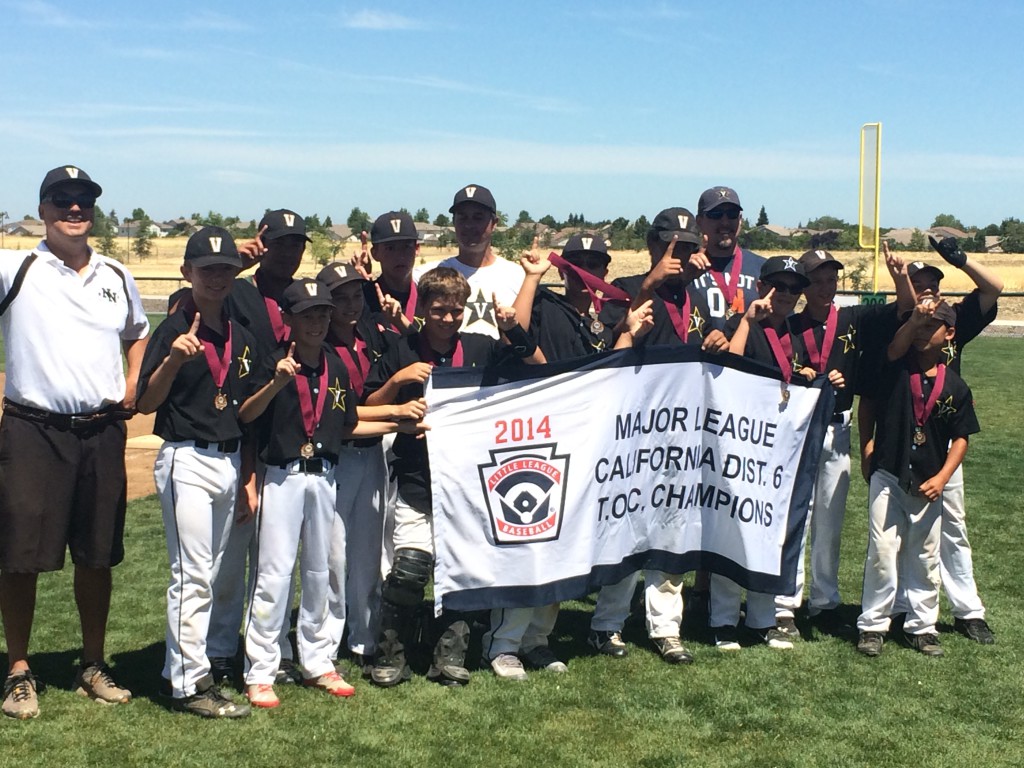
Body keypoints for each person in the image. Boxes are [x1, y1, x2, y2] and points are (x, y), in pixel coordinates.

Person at [0, 165, 149, 720]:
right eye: (61, 200)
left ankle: (91, 662)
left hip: (101, 430)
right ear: (42, 209)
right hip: (33, 429)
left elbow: (137, 333)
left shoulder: (116, 273)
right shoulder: (16, 267)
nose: (74, 209)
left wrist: (133, 381)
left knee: (97, 552)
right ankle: (18, 669)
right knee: (19, 555)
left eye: (83, 200)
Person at [238, 278, 425, 708]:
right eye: (308, 314)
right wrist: (275, 384)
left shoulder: (333, 365)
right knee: (274, 574)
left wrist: (400, 425)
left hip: (324, 474)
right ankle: (261, 669)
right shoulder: (274, 362)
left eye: (323, 313)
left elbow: (348, 425)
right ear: (288, 320)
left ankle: (317, 660)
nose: (318, 322)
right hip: (282, 476)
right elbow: (248, 415)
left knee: (321, 571)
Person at [478, 234, 652, 679]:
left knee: (561, 547)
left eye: (595, 265)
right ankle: (501, 643)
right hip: (538, 437)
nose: (585, 274)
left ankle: (537, 639)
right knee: (529, 539)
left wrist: (629, 333)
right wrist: (533, 277)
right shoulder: (546, 305)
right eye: (576, 265)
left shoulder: (601, 317)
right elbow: (515, 334)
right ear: (563, 269)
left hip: (581, 443)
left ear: (605, 272)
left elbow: (606, 376)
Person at [363, 267, 543, 687]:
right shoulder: (400, 349)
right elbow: (368, 402)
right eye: (439, 310)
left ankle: (450, 653)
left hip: (468, 481)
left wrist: (512, 328)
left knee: (462, 567)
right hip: (416, 476)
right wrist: (398, 381)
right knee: (409, 568)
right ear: (423, 308)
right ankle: (392, 651)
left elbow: (537, 367)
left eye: (455, 310)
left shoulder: (480, 347)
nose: (447, 318)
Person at [136, 227, 269, 718]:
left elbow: (249, 411)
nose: (217, 278)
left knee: (208, 574)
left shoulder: (242, 333)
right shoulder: (173, 330)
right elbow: (144, 402)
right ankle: (192, 685)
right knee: (191, 575)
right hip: (186, 457)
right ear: (186, 272)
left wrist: (276, 385)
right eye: (207, 269)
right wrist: (171, 362)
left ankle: (182, 669)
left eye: (226, 270)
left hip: (230, 459)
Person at [587, 209, 729, 665]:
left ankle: (666, 628)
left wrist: (718, 340)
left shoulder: (699, 297)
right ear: (653, 245)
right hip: (632, 433)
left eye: (689, 247)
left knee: (672, 531)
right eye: (672, 246)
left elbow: (714, 339)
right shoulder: (626, 289)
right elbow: (607, 345)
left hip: (681, 434)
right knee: (624, 529)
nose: (681, 256)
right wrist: (648, 284)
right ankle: (606, 625)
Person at [859, 238, 1002, 644]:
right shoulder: (903, 325)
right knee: (895, 537)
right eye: (917, 281)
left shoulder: (950, 318)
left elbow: (993, 289)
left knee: (950, 528)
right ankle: (902, 609)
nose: (926, 289)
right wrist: (902, 281)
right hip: (899, 443)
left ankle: (967, 609)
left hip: (940, 445)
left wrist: (960, 260)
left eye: (931, 281)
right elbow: (875, 384)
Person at [772, 246, 912, 638]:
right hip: (797, 431)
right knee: (795, 516)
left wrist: (899, 277)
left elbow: (903, 308)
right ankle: (785, 603)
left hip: (836, 429)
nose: (825, 286)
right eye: (816, 280)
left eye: (831, 279)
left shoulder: (852, 319)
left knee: (829, 522)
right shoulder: (789, 325)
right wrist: (799, 373)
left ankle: (824, 601)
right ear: (803, 285)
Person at [208, 209, 311, 687]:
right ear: (262, 244)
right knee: (233, 556)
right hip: (243, 429)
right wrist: (237, 263)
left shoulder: (303, 297)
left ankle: (269, 648)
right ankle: (221, 649)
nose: (288, 252)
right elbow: (186, 302)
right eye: (280, 242)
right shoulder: (240, 291)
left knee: (276, 559)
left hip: (289, 437)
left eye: (297, 244)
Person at [856, 299, 980, 657]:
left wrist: (943, 477)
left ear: (950, 333)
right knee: (882, 550)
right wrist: (866, 450)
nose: (924, 333)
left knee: (925, 554)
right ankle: (873, 624)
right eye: (919, 327)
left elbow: (961, 439)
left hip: (929, 480)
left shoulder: (955, 386)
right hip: (889, 473)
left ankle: (922, 626)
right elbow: (894, 350)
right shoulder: (893, 368)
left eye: (932, 327)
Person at [717, 256, 826, 650]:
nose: (788, 295)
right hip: (738, 442)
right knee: (733, 526)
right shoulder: (740, 323)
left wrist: (809, 379)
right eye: (780, 286)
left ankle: (761, 619)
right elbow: (729, 367)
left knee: (770, 528)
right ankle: (724, 620)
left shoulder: (794, 333)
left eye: (795, 288)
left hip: (776, 450)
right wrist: (747, 321)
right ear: (762, 286)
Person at [316, 261, 418, 674]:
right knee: (334, 555)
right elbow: (345, 416)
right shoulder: (319, 345)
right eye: (339, 297)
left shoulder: (370, 335)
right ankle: (324, 642)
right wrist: (396, 404)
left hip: (371, 452)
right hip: (337, 458)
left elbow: (415, 351)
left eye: (356, 295)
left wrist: (402, 325)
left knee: (368, 554)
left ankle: (364, 636)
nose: (350, 305)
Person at [415, 184, 523, 339]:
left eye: (478, 218)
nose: (469, 225)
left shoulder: (518, 275)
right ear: (454, 222)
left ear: (494, 223)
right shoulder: (427, 274)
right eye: (462, 217)